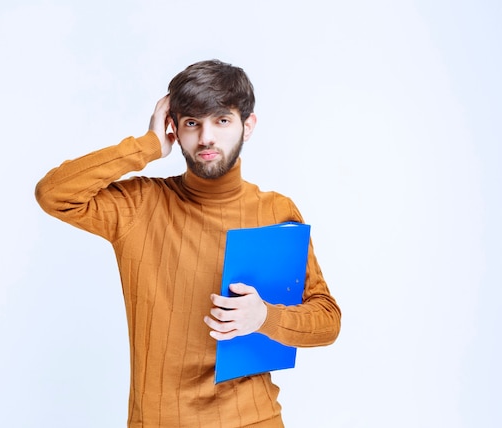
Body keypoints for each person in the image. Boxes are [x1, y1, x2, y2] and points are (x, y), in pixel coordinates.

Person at [35, 59, 341, 428]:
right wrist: (146, 146)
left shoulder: (275, 211)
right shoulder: (138, 206)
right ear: (174, 129)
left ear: (248, 126)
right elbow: (53, 194)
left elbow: (327, 319)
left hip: (253, 418)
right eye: (192, 122)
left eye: (222, 121)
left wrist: (265, 317)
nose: (206, 137)